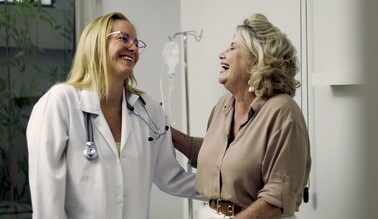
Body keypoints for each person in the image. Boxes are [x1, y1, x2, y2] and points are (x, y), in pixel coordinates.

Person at [26, 12, 201, 219]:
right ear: (96, 43)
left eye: (136, 43)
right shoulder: (60, 102)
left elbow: (171, 177)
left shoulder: (148, 108)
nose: (134, 48)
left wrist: (229, 191)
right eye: (123, 38)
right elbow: (47, 194)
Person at [172, 13, 311, 219]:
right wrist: (167, 132)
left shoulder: (282, 111)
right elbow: (222, 157)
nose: (222, 54)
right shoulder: (224, 105)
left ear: (256, 62)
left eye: (232, 47)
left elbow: (277, 196)